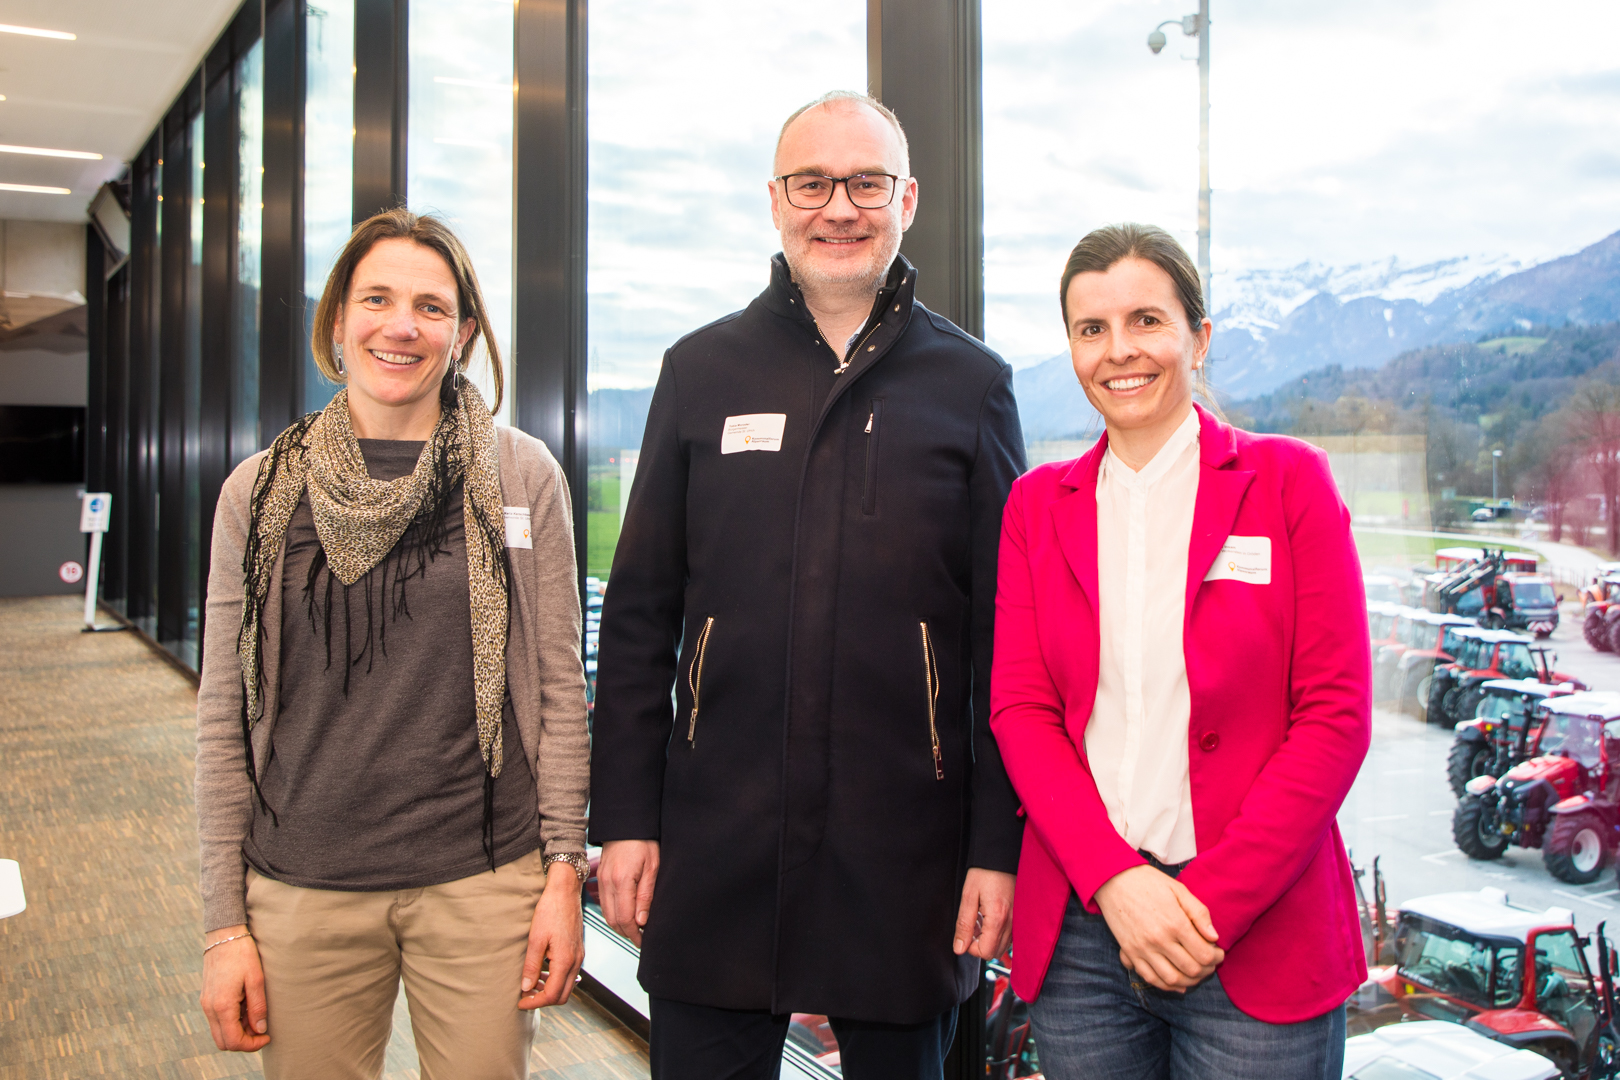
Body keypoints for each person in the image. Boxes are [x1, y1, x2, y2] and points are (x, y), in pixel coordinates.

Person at [589, 90, 1026, 1079]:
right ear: (775, 199)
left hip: (907, 851)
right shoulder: (700, 371)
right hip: (716, 838)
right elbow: (641, 617)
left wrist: (995, 848)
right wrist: (624, 818)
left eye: (866, 183)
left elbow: (1006, 645)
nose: (838, 208)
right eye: (812, 183)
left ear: (906, 198)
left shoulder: (972, 387)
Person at [194, 209, 590, 1079]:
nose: (401, 326)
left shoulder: (522, 475)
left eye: (431, 307)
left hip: (484, 880)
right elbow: (223, 717)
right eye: (377, 299)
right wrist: (225, 923)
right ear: (339, 319)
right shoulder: (258, 493)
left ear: (464, 333)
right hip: (303, 883)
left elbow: (561, 691)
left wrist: (564, 871)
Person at [988, 223, 1369, 1078]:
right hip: (1086, 934)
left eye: (1146, 321)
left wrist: (1207, 907)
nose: (1119, 350)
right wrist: (1115, 882)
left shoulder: (1289, 483)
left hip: (1255, 930)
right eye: (1092, 329)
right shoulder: (1036, 508)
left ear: (1198, 339)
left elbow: (1335, 718)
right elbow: (1021, 710)